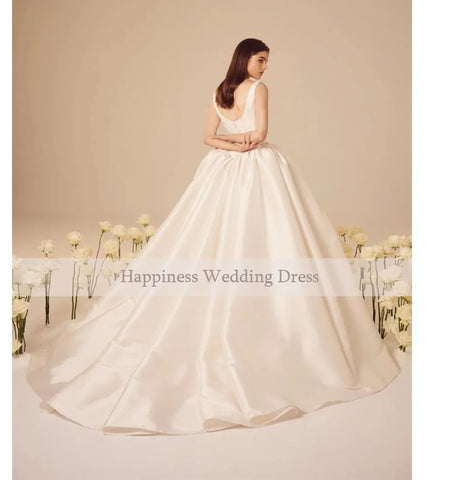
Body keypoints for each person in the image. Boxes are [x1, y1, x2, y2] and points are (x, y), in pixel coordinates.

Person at [26, 38, 401, 435]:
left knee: (216, 235)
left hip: (221, 167)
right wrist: (243, 142)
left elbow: (209, 138)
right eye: (261, 59)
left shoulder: (220, 91)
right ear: (245, 59)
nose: (265, 67)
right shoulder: (258, 89)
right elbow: (260, 134)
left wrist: (229, 143)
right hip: (257, 169)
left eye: (267, 62)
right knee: (263, 236)